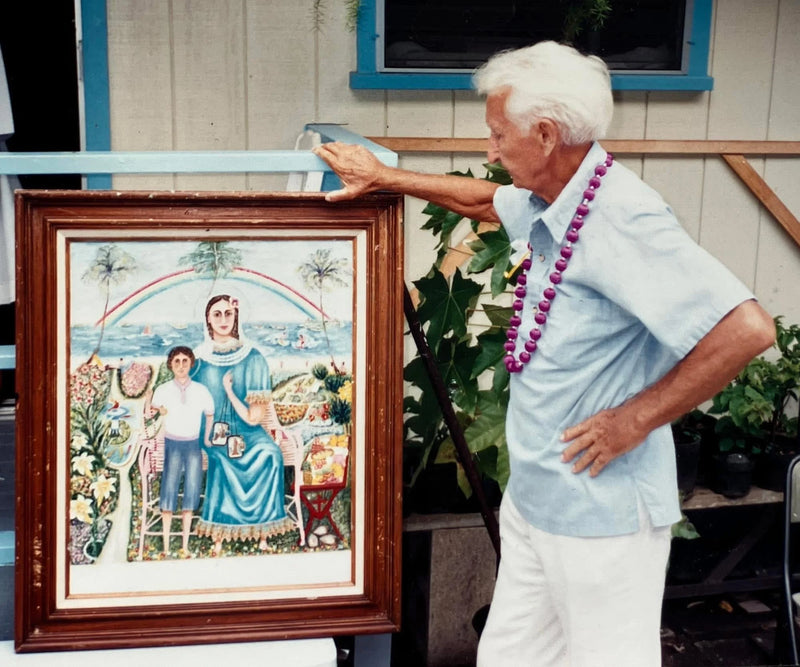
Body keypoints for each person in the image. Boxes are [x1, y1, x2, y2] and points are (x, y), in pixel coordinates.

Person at [313, 41, 776, 667]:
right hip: (537, 500)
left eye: (499, 136)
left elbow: (746, 328)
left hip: (600, 516)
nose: (491, 150)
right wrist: (386, 178)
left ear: (547, 134)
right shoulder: (552, 198)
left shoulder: (622, 217)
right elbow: (482, 200)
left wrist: (634, 420)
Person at [191, 294, 293, 555]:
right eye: (217, 314)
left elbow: (254, 418)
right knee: (223, 458)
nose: (223, 319)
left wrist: (231, 393)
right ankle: (219, 532)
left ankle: (263, 532)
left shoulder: (253, 357)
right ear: (208, 319)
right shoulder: (197, 360)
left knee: (269, 454)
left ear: (236, 316)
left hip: (248, 429)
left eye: (228, 313)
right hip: (214, 432)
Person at [145, 345, 214, 556]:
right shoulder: (163, 390)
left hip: (193, 444)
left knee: (191, 493)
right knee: (168, 493)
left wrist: (206, 437)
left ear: (191, 364)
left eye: (185, 361)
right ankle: (166, 546)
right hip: (171, 445)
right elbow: (150, 414)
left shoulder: (201, 390)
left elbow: (210, 413)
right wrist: (149, 401)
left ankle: (185, 545)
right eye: (177, 361)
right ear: (170, 365)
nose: (181, 366)